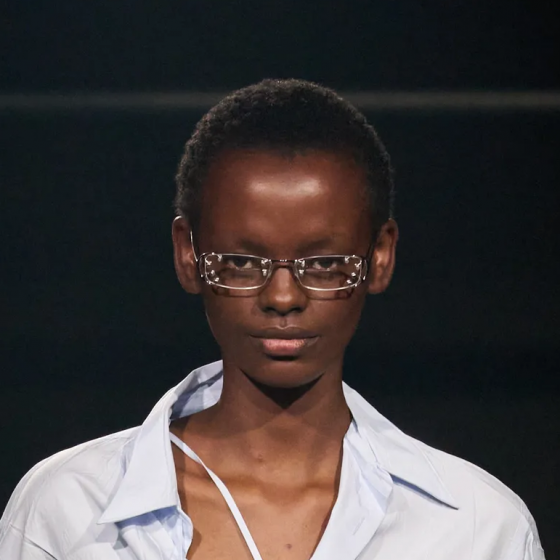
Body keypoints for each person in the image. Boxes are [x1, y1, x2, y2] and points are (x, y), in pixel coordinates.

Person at [0, 79, 544, 560]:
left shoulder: (477, 527)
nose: (283, 297)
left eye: (325, 264)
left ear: (380, 257)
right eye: (241, 262)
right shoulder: (69, 508)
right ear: (188, 254)